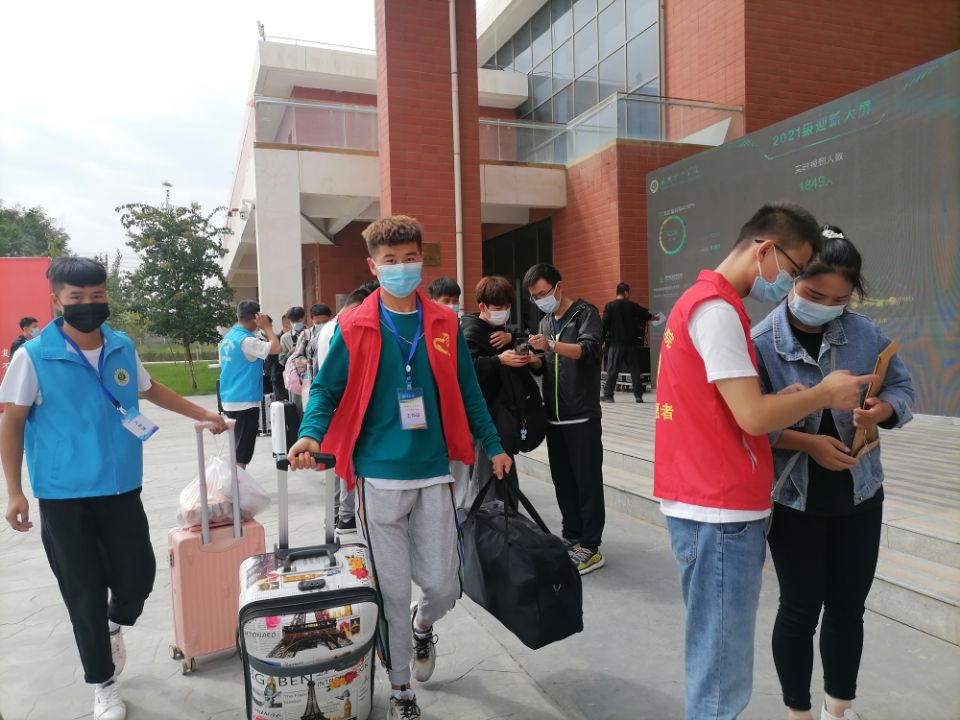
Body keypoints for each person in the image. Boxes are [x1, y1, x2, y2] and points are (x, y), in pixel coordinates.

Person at [653, 202, 879, 720]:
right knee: (721, 678)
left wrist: (791, 400)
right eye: (795, 270)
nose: (790, 283)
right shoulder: (717, 311)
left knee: (715, 661)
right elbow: (753, 417)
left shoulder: (704, 303)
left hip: (708, 501)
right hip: (719, 509)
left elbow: (734, 410)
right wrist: (822, 394)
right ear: (766, 251)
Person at [287, 215, 511, 720]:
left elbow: (469, 392)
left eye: (410, 258)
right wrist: (310, 434)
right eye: (390, 261)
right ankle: (401, 686)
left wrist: (494, 444)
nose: (402, 268)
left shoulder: (444, 323)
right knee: (390, 590)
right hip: (378, 476)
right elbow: (325, 390)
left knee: (444, 586)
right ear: (373, 266)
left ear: (421, 260)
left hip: (435, 471)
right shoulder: (354, 325)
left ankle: (422, 624)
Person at [0, 257, 227, 720]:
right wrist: (15, 491)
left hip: (122, 489)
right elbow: (12, 421)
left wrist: (202, 413)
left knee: (137, 578)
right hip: (63, 496)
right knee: (83, 592)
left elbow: (150, 389)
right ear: (56, 301)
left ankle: (113, 623)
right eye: (77, 297)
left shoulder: (121, 346)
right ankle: (102, 682)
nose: (89, 304)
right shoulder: (33, 356)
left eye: (98, 295)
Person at [752, 226, 914, 720]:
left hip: (859, 495)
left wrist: (883, 410)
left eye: (839, 300)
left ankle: (837, 709)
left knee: (848, 608)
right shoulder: (761, 342)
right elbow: (750, 424)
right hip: (794, 498)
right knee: (799, 609)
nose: (825, 307)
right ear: (793, 278)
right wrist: (809, 444)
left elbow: (903, 389)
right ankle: (798, 713)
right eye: (814, 294)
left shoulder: (865, 334)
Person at [523, 263, 606, 575]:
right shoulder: (546, 322)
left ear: (559, 287)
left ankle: (591, 546)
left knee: (587, 483)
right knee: (563, 482)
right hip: (554, 418)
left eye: (543, 293)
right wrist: (533, 360)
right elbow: (546, 366)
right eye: (534, 297)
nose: (540, 300)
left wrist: (552, 345)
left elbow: (588, 350)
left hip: (581, 416)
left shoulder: (585, 314)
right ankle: (572, 537)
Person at [309, 288, 374, 535]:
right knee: (346, 463)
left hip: (333, 406)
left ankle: (335, 514)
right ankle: (345, 517)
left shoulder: (328, 328)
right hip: (343, 404)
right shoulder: (345, 327)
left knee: (336, 464)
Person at [459, 275, 528, 508]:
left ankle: (506, 519)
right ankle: (492, 522)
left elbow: (523, 347)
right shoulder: (470, 332)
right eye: (498, 308)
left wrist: (513, 338)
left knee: (503, 479)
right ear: (482, 307)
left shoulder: (500, 330)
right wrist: (499, 360)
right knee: (488, 481)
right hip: (484, 420)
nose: (504, 312)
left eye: (507, 306)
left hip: (502, 416)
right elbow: (466, 373)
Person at [219, 300, 281, 468]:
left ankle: (235, 480)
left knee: (237, 446)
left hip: (230, 398)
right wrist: (267, 327)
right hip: (244, 400)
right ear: (256, 317)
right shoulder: (247, 341)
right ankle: (237, 482)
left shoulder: (228, 338)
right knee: (242, 452)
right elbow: (276, 348)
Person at [601, 283, 662, 403]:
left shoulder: (610, 306)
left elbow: (604, 325)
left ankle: (608, 395)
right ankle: (638, 396)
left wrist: (603, 341)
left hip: (616, 344)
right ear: (626, 293)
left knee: (612, 369)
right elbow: (644, 314)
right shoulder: (632, 306)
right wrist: (654, 317)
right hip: (631, 344)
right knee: (634, 370)